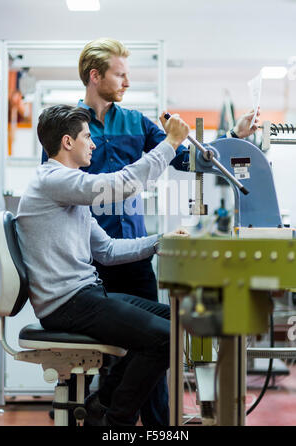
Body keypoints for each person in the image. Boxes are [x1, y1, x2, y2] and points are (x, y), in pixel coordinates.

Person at [42, 38, 260, 426]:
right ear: (96, 76)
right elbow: (81, 187)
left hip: (130, 254)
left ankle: (159, 427)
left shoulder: (135, 122)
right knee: (111, 357)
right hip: (90, 262)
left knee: (157, 348)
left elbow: (189, 156)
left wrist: (234, 135)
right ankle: (109, 419)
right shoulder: (67, 130)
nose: (127, 82)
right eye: (120, 74)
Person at [16, 104, 190, 427]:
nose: (93, 144)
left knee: (177, 322)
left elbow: (107, 250)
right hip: (68, 303)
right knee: (166, 338)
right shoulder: (53, 179)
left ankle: (102, 405)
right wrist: (170, 144)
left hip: (86, 296)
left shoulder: (68, 187)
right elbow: (120, 185)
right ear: (68, 142)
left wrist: (160, 241)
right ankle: (114, 421)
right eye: (87, 137)